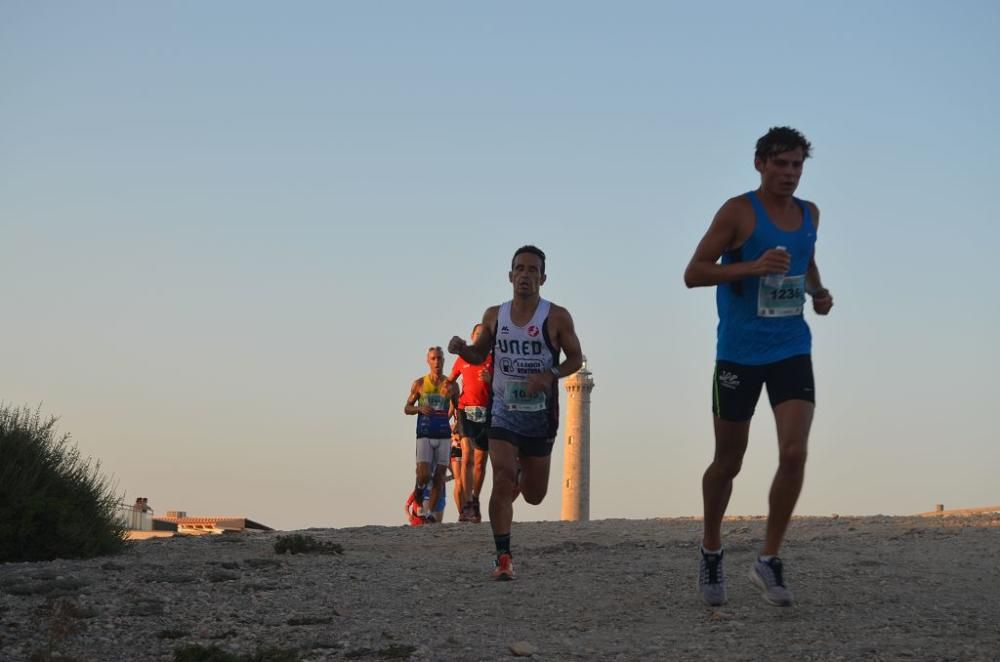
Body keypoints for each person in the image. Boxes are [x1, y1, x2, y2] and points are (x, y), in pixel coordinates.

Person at [683, 127, 834, 607]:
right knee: (729, 461)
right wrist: (749, 267)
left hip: (791, 346)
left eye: (797, 166)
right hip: (739, 353)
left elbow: (804, 263)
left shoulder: (809, 214)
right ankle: (711, 548)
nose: (789, 174)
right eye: (781, 164)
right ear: (760, 164)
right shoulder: (738, 212)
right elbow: (694, 272)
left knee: (794, 454)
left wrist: (818, 292)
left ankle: (768, 560)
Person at [448, 245, 583, 580]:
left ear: (543, 278)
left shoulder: (557, 317)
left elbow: (576, 359)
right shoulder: (495, 315)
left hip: (539, 416)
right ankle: (503, 556)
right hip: (503, 412)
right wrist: (463, 349)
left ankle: (525, 476)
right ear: (510, 276)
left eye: (532, 270)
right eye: (519, 269)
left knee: (535, 495)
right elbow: (479, 355)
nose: (525, 275)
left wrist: (549, 375)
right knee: (502, 479)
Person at [404, 346, 459, 523]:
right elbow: (407, 408)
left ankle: (429, 515)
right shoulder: (419, 384)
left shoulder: (451, 385)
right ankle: (419, 490)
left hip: (443, 434)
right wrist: (419, 408)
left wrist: (455, 421)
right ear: (428, 361)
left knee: (439, 476)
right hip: (424, 433)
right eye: (433, 358)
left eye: (440, 358)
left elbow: (458, 406)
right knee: (424, 474)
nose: (437, 362)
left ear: (444, 361)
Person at [446, 323, 494, 523]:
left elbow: (503, 387)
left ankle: (474, 500)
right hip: (465, 410)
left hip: (486, 412)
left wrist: (490, 379)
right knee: (467, 458)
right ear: (472, 337)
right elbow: (450, 382)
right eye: (478, 335)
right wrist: (449, 394)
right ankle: (466, 505)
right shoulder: (462, 359)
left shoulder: (494, 360)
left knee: (480, 462)